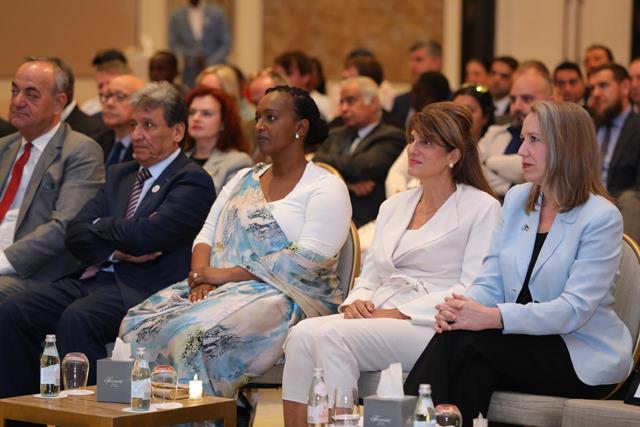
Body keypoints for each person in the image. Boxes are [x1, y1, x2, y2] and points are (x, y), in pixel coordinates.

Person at [404, 101, 633, 426]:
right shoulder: (516, 199)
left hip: (578, 353)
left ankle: (404, 419)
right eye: (523, 139)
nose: (522, 151)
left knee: (468, 340)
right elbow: (491, 279)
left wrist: (492, 317)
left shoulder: (601, 217)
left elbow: (574, 310)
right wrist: (462, 309)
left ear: (566, 145)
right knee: (465, 347)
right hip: (516, 344)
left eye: (534, 140)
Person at [119, 86, 352, 401]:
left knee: (192, 336)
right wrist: (201, 279)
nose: (260, 126)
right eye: (258, 118)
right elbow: (207, 234)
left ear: (300, 127)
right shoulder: (243, 178)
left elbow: (308, 260)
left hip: (287, 299)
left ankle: (198, 417)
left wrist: (223, 275)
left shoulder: (325, 187)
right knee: (137, 322)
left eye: (271, 118)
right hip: (220, 289)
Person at [281, 102, 501, 427]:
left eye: (426, 142)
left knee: (333, 337)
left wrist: (399, 312)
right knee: (301, 334)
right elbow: (370, 276)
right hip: (380, 313)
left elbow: (472, 287)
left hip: (432, 324)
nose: (413, 149)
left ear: (453, 155)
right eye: (412, 139)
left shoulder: (482, 207)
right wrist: (356, 302)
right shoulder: (394, 205)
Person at [0, 82, 215, 399]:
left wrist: (101, 227)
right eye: (134, 124)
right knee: (14, 310)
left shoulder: (192, 180)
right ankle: (21, 415)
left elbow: (147, 237)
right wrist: (115, 249)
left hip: (141, 288)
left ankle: (91, 414)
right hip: (93, 276)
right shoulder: (120, 174)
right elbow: (75, 233)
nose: (137, 134)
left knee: (78, 318)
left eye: (148, 125)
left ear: (177, 131)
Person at [0, 57, 104, 301]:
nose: (17, 101)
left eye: (31, 94)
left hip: (33, 270)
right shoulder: (4, 147)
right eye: (14, 91)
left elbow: (65, 226)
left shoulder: (80, 151)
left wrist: (4, 260)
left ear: (59, 103)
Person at [313, 77, 405, 227]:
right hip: (324, 217)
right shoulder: (334, 134)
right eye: (341, 102)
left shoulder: (392, 137)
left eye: (350, 101)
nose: (343, 109)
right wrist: (349, 185)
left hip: (366, 224)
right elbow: (316, 164)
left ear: (373, 103)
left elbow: (360, 167)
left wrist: (327, 164)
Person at [479, 67, 553, 197]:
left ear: (550, 102)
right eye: (513, 99)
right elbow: (474, 172)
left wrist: (489, 162)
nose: (516, 107)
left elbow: (535, 171)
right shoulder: (494, 132)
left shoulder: (557, 139)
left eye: (527, 99)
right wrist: (511, 186)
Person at [587, 63, 640, 242]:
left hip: (621, 207)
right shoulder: (588, 126)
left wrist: (605, 200)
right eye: (592, 88)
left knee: (631, 199)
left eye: (603, 86)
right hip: (582, 203)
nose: (596, 93)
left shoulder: (637, 127)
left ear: (625, 87)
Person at [184, 86, 252, 193]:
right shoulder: (179, 157)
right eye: (192, 112)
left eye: (206, 113)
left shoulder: (237, 162)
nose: (196, 118)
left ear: (223, 122)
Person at [52, 57, 115, 160]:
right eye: (100, 86)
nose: (104, 91)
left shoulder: (93, 131)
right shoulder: (34, 127)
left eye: (34, 94)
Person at [169, 0, 231, 88]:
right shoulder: (176, 16)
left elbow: (226, 44)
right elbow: (173, 44)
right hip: (189, 72)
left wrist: (209, 62)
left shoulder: (218, 13)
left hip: (215, 70)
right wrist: (193, 56)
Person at [391, 40, 443, 127]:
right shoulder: (400, 102)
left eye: (419, 60)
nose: (412, 66)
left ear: (437, 62)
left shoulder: (452, 100)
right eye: (411, 60)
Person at [100, 74, 145, 167]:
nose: (109, 103)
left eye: (120, 96)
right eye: (107, 96)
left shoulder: (147, 146)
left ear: (141, 103)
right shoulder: (97, 142)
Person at [80, 49, 130, 117]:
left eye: (110, 84)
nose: (104, 90)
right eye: (100, 86)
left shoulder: (136, 108)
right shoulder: (88, 109)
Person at [488, 56, 519, 120]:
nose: (496, 80)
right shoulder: (481, 104)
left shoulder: (517, 107)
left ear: (514, 79)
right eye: (493, 73)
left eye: (504, 76)